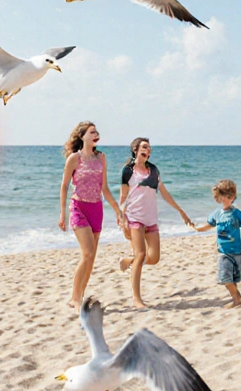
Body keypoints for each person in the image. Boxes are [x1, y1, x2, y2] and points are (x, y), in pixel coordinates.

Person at [118, 137, 192, 308]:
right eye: (144, 147)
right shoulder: (128, 171)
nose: (148, 150)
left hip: (151, 218)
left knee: (155, 258)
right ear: (135, 150)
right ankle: (137, 299)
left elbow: (164, 193)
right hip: (134, 217)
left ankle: (128, 261)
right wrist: (121, 216)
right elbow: (123, 196)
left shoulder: (154, 170)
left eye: (149, 148)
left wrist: (180, 210)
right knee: (141, 255)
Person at [58, 122, 124, 310]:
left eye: (97, 132)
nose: (96, 135)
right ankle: (76, 298)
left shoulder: (101, 157)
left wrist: (117, 210)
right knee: (87, 254)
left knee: (91, 258)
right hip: (78, 207)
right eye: (92, 132)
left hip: (96, 208)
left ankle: (78, 296)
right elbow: (64, 186)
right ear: (82, 136)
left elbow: (104, 188)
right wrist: (62, 213)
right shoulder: (74, 158)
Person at [192, 179, 241, 309]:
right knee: (225, 277)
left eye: (231, 196)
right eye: (226, 196)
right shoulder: (217, 214)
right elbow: (210, 225)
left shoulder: (236, 213)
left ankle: (237, 299)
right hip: (223, 252)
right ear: (219, 197)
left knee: (233, 278)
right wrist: (198, 228)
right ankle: (237, 299)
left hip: (236, 252)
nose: (229, 198)